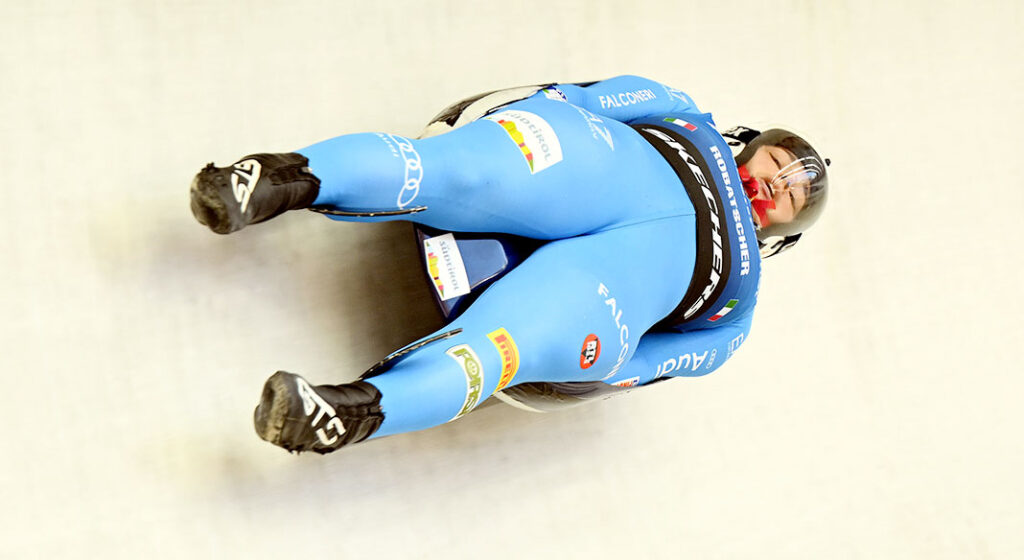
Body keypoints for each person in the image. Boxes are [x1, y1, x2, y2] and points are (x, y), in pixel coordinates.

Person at [190, 75, 829, 454]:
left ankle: (342, 414)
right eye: (778, 165)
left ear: (785, 230)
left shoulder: (737, 312)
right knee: (457, 171)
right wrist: (532, 116)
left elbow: (643, 368)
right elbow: (582, 98)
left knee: (503, 348)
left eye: (791, 196)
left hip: (604, 287)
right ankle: (270, 181)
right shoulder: (682, 110)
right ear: (752, 145)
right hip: (596, 166)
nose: (776, 185)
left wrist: (591, 360)